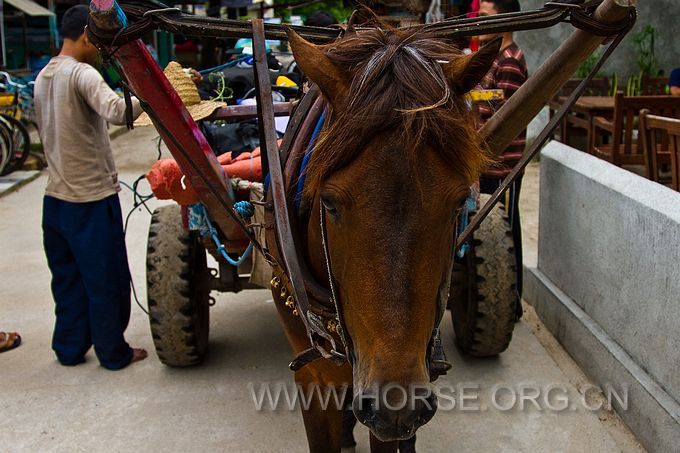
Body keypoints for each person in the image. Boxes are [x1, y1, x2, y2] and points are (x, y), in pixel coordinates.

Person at [34, 5, 147, 370]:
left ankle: (69, 348)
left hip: (56, 201)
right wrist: (153, 93)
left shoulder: (43, 76)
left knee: (67, 281)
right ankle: (114, 353)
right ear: (86, 36)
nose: (100, 48)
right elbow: (117, 111)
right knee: (105, 280)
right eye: (97, 40)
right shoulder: (82, 74)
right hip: (90, 200)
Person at [475, 0, 528, 317]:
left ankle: (512, 303)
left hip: (501, 163)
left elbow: (502, 120)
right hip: (489, 161)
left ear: (504, 20)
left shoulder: (508, 61)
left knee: (505, 234)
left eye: (484, 17)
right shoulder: (495, 57)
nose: (479, 23)